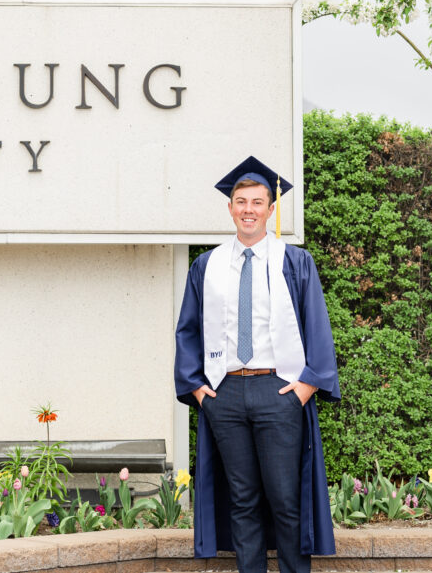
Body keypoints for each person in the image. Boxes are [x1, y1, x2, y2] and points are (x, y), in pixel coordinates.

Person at [174, 156, 340, 573]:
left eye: (257, 201)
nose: (248, 209)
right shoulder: (206, 266)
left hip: (278, 391)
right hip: (224, 392)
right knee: (242, 500)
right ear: (230, 208)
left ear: (270, 208)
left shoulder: (294, 262)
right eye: (240, 201)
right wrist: (199, 389)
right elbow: (188, 330)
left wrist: (305, 387)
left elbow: (316, 325)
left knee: (285, 499)